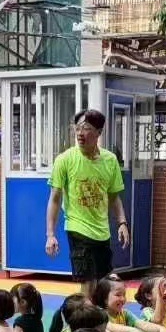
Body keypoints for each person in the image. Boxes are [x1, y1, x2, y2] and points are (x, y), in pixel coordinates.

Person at [45, 110, 129, 296]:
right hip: (78, 228)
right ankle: (84, 315)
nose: (80, 133)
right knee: (88, 283)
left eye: (86, 128)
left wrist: (122, 223)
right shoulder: (65, 160)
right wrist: (50, 234)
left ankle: (91, 313)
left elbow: (114, 196)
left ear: (99, 132)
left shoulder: (110, 160)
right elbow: (55, 198)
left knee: (104, 285)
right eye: (77, 128)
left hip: (102, 232)